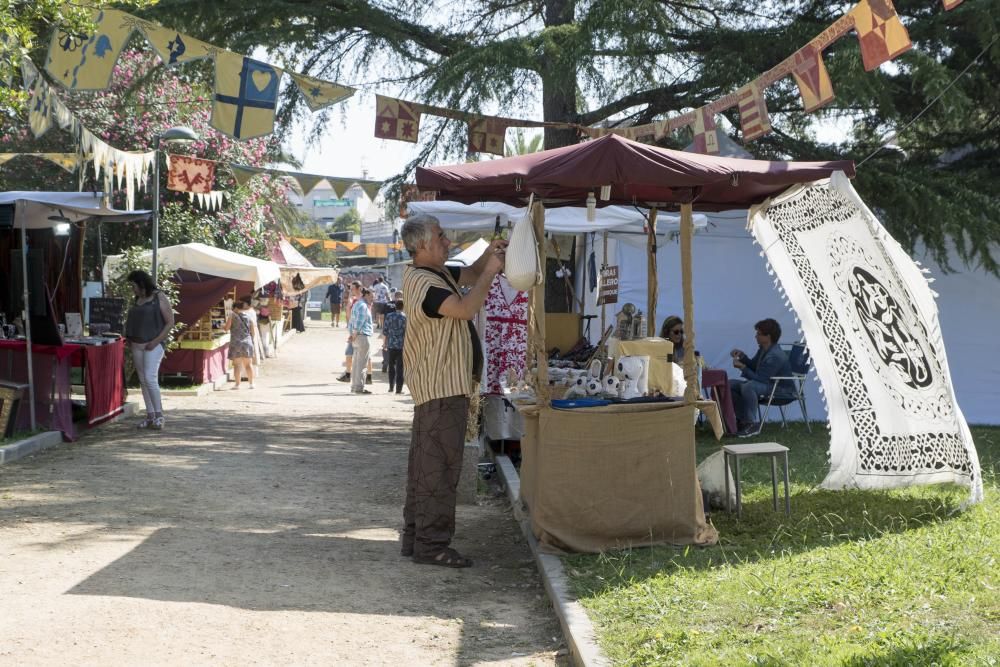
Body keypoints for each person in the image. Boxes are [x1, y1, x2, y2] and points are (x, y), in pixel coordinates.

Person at [400, 214, 506, 568]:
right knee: (438, 470)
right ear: (424, 245)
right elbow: (464, 308)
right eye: (441, 236)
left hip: (441, 386)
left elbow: (471, 274)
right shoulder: (423, 283)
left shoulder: (437, 274)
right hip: (440, 386)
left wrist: (490, 256)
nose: (448, 241)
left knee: (427, 466)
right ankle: (431, 546)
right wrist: (492, 272)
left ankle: (417, 538)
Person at [123, 269, 174, 430]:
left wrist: (156, 341)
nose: (132, 289)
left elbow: (170, 322)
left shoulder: (159, 297)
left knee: (150, 379)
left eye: (133, 285)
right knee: (143, 380)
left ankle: (159, 415)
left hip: (153, 345)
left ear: (141, 283)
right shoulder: (137, 299)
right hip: (136, 344)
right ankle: (150, 415)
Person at [729, 318, 795, 437]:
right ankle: (741, 420)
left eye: (758, 334)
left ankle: (750, 424)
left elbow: (760, 379)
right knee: (729, 384)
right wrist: (742, 357)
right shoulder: (764, 350)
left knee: (748, 387)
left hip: (781, 390)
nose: (755, 336)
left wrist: (742, 367)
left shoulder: (775, 356)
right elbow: (755, 366)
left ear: (768, 337)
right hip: (768, 384)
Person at [225, 297, 257, 389]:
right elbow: (252, 332)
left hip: (236, 343)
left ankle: (237, 385)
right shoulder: (248, 317)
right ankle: (251, 384)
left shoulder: (232, 315)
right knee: (248, 365)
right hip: (247, 342)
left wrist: (224, 327)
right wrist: (250, 340)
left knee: (237, 365)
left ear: (235, 308)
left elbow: (227, 328)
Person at [347, 288, 375, 395]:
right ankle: (359, 387)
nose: (373, 298)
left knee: (356, 363)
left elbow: (351, 321)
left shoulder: (357, 304)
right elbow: (359, 321)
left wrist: (352, 334)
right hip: (362, 336)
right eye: (372, 296)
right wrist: (354, 334)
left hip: (357, 336)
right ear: (366, 295)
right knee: (362, 364)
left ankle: (355, 386)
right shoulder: (363, 306)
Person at [337, 281, 362, 383]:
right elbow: (348, 316)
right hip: (353, 331)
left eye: (352, 289)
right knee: (349, 353)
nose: (350, 291)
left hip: (359, 332)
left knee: (362, 356)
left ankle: (366, 376)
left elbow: (359, 318)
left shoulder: (361, 301)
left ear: (358, 288)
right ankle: (348, 374)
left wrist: (354, 333)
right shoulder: (354, 300)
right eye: (350, 289)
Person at [381, 299, 406, 394]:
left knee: (391, 367)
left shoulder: (389, 316)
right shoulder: (405, 317)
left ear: (395, 306)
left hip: (391, 344)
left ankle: (391, 387)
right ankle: (399, 389)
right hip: (401, 345)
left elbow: (385, 331)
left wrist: (384, 343)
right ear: (403, 307)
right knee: (400, 368)